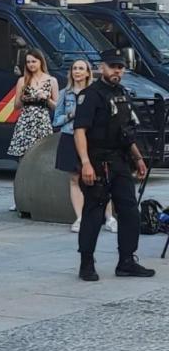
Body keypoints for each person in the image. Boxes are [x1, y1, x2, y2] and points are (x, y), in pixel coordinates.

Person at [74, 48, 155, 282]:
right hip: (97, 161)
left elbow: (126, 131)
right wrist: (86, 163)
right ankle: (86, 263)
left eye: (120, 67)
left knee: (130, 211)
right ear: (102, 68)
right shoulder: (90, 95)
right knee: (94, 213)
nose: (117, 70)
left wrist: (138, 158)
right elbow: (80, 131)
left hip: (119, 160)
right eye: (112, 66)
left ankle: (127, 261)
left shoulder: (122, 93)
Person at [53, 59, 116, 233]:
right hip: (69, 136)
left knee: (101, 178)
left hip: (92, 138)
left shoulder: (95, 93)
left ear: (88, 72)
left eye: (81, 68)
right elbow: (56, 120)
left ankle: (109, 217)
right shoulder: (65, 93)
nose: (77, 71)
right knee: (74, 179)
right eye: (74, 68)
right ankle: (80, 218)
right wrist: (70, 115)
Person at [8, 48, 58, 211]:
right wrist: (24, 97)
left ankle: (42, 196)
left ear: (40, 62)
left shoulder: (51, 81)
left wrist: (46, 98)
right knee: (23, 161)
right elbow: (16, 106)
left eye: (33, 61)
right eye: (28, 62)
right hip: (25, 121)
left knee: (42, 160)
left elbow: (56, 106)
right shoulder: (22, 80)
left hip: (42, 120)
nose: (31, 65)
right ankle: (20, 198)